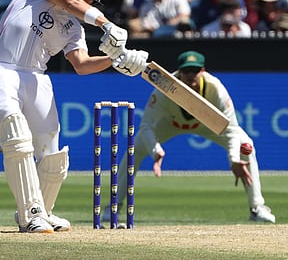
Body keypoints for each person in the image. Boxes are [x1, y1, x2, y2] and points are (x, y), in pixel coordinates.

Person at [0, 0, 148, 233]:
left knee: (53, 152)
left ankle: (44, 212)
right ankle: (30, 215)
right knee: (16, 135)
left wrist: (115, 60)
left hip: (37, 78)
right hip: (1, 70)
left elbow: (81, 64)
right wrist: (106, 24)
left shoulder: (73, 27)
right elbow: (70, 3)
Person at [104, 51, 276, 223]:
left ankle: (257, 208)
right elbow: (146, 126)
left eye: (195, 70)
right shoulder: (165, 87)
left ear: (203, 71)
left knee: (246, 145)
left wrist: (234, 160)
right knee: (135, 148)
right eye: (187, 71)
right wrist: (156, 151)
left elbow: (231, 129)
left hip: (208, 124)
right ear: (179, 72)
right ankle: (114, 206)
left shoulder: (215, 88)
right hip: (170, 124)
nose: (191, 75)